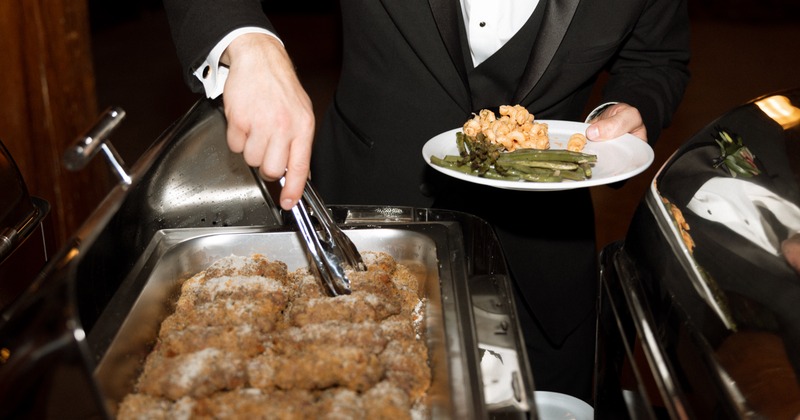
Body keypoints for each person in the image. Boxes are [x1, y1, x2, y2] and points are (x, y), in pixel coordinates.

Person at [163, 0, 690, 403]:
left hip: (545, 267)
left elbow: (658, 60)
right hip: (360, 240)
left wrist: (630, 106)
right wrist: (249, 42)